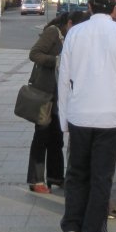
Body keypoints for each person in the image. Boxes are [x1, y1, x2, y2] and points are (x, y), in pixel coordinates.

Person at [58, 0, 116, 232]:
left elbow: (64, 77)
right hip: (109, 115)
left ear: (90, 8)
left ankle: (71, 226)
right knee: (101, 176)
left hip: (79, 113)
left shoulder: (75, 33)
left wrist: (64, 119)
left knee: (76, 172)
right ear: (115, 10)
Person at [26, 12, 71, 193]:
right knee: (42, 137)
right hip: (45, 93)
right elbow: (34, 53)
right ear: (69, 23)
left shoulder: (65, 35)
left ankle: (55, 176)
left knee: (56, 137)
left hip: (56, 95)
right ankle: (35, 180)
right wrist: (58, 61)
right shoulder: (53, 32)